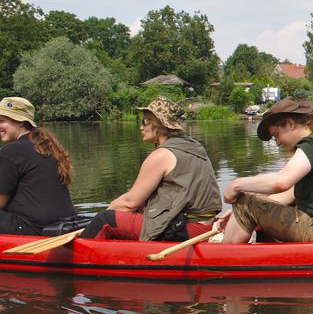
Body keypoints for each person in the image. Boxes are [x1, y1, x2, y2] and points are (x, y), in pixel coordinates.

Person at [215, 98, 313, 243]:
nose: (277, 143)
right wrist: (239, 213)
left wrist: (236, 185)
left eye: (277, 135)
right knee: (247, 200)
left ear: (290, 124)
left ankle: (220, 259)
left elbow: (281, 181)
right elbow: (289, 195)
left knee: (246, 202)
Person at [81, 97, 221, 240]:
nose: (141, 127)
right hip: (204, 226)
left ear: (158, 126)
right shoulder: (194, 147)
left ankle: (75, 256)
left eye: (144, 122)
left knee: (104, 220)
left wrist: (111, 208)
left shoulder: (162, 155)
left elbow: (130, 203)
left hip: (185, 228)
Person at [0, 97, 77, 235]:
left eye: (1, 121)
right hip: (65, 221)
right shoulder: (47, 146)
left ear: (20, 122)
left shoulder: (9, 152)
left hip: (32, 226)